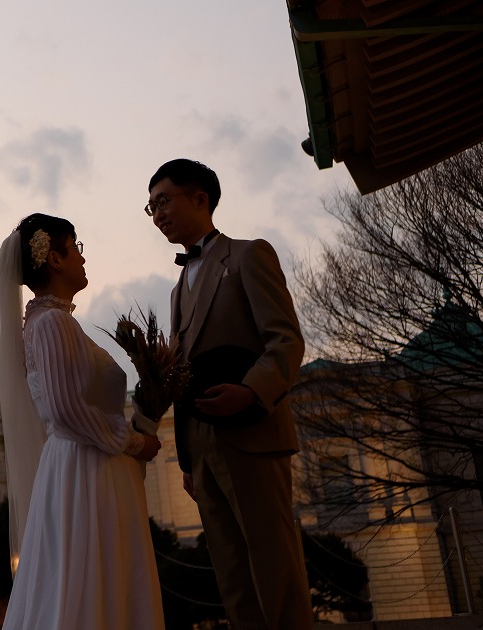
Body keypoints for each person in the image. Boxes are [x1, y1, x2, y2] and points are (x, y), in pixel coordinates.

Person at [146, 159, 312, 629]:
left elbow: (285, 341)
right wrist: (185, 459)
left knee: (274, 566)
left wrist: (250, 392)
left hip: (253, 432)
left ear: (201, 198)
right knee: (233, 577)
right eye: (151, 207)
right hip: (200, 448)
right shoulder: (177, 289)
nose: (157, 214)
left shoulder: (248, 255)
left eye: (164, 201)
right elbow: (183, 375)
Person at [0, 214, 164, 630]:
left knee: (98, 579)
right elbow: (64, 410)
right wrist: (135, 442)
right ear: (54, 258)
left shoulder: (50, 322)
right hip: (86, 469)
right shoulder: (53, 323)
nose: (83, 259)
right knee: (88, 578)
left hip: (87, 465)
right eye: (77, 247)